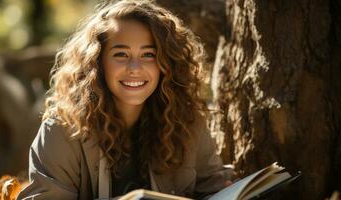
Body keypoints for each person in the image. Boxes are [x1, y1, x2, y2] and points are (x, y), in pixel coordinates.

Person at [17, 0, 232, 199]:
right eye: (121, 55)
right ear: (97, 63)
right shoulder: (61, 132)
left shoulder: (187, 122)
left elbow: (212, 185)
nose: (135, 69)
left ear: (165, 64)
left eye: (148, 54)